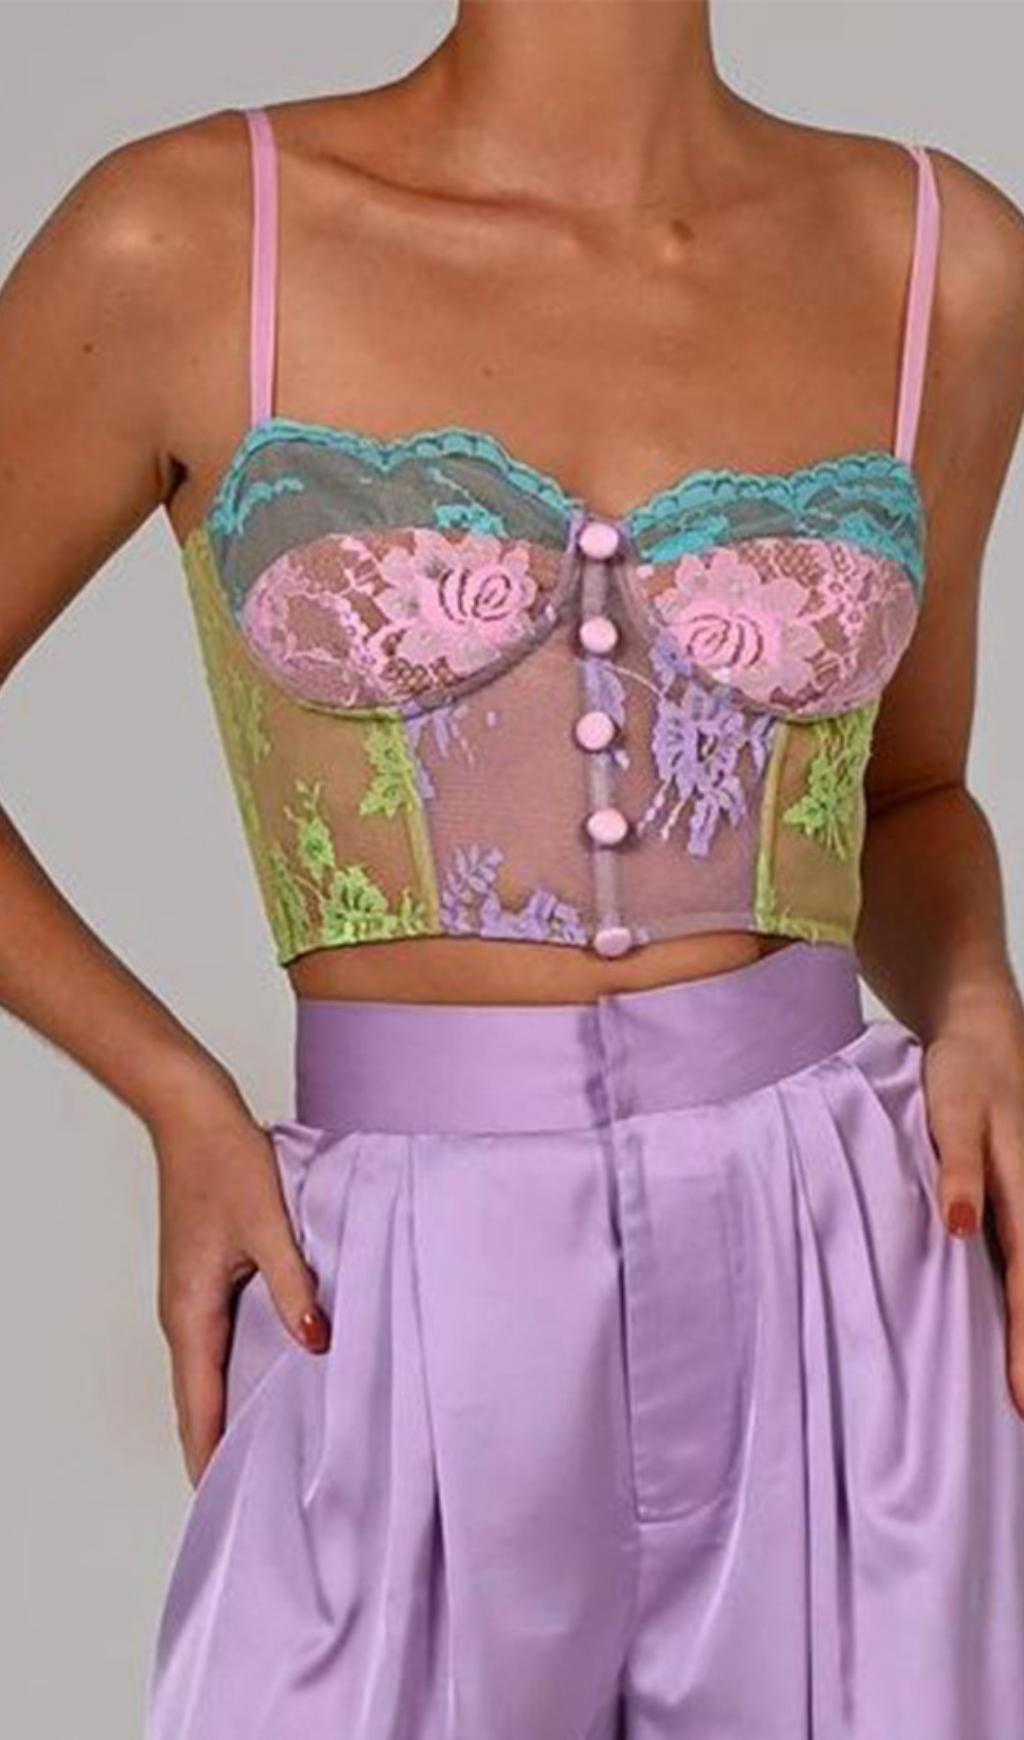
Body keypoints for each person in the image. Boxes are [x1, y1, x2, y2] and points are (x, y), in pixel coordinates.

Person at [2, 3, 1023, 1735]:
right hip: (397, 1278)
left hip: (855, 1272)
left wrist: (980, 1004)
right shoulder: (187, 236)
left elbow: (910, 794)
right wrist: (175, 1093)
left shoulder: (942, 259)